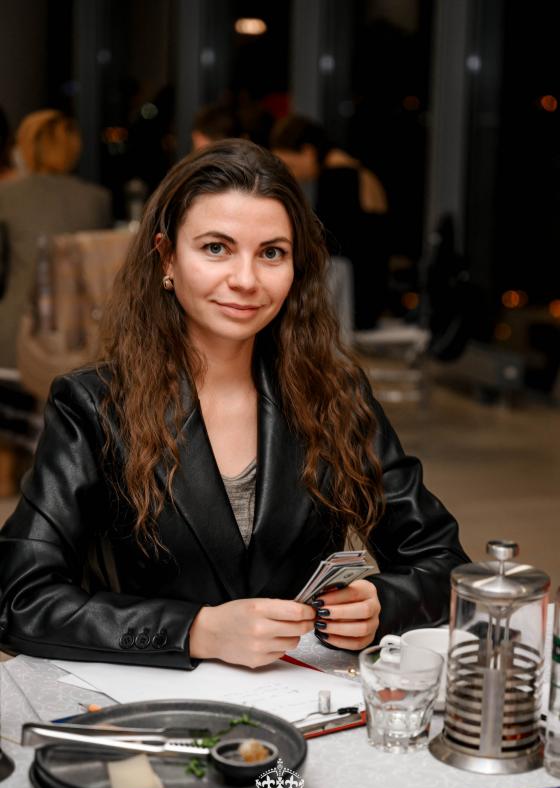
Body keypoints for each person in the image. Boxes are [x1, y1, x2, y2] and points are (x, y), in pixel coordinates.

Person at [0, 140, 469, 670]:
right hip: (154, 706)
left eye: (271, 253)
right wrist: (195, 631)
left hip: (295, 705)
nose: (246, 280)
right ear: (166, 257)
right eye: (216, 248)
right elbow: (20, 598)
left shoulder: (334, 395)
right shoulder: (94, 404)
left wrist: (384, 603)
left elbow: (445, 565)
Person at [0, 109, 112, 370]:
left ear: (25, 147)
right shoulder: (97, 199)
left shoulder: (6, 196)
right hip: (78, 338)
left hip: (14, 337)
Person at [271, 114, 389, 329]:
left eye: (291, 164)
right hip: (370, 298)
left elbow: (328, 245)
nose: (291, 174)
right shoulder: (359, 171)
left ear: (308, 152)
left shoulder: (337, 177)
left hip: (351, 304)